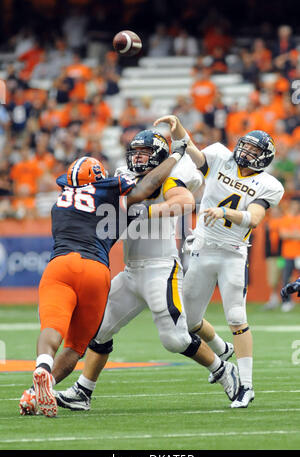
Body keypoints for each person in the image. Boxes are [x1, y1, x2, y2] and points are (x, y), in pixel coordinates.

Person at [20, 130, 238, 415]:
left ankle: (223, 370)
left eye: (145, 154)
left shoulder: (170, 174)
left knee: (175, 340)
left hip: (161, 269)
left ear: (160, 155)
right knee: (98, 332)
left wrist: (150, 209)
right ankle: (83, 391)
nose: (138, 158)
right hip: (131, 270)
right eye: (134, 152)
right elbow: (132, 189)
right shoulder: (120, 178)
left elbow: (184, 201)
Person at [153, 115, 284, 408]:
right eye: (246, 146)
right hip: (201, 248)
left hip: (232, 253)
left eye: (254, 151)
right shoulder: (219, 156)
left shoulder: (268, 184)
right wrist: (178, 130)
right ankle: (221, 350)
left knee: (237, 317)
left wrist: (225, 214)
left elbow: (254, 218)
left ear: (265, 158)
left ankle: (247, 387)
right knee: (189, 322)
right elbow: (193, 152)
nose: (246, 152)